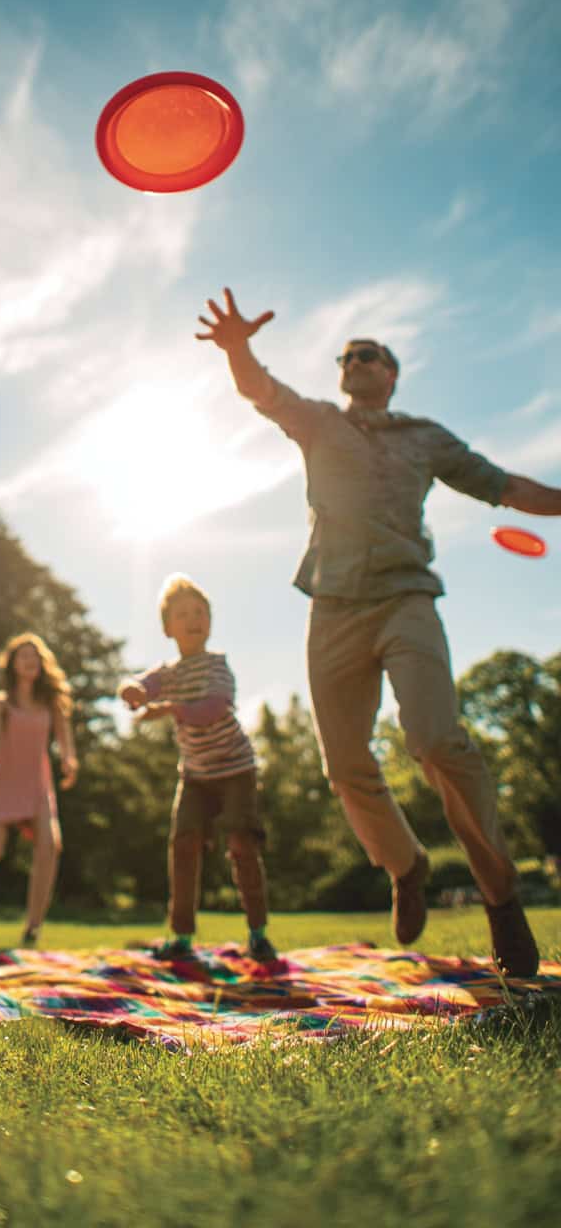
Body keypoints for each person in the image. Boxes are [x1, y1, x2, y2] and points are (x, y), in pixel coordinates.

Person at [196, 287, 561, 976]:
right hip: (332, 604)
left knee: (435, 740)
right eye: (347, 355)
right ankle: (406, 863)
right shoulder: (319, 422)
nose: (356, 361)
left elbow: (503, 485)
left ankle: (501, 896)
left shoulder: (427, 438)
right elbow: (260, 390)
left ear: (391, 372)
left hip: (405, 599)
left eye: (370, 355)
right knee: (345, 765)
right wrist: (237, 346)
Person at [118, 572, 278, 964]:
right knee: (184, 844)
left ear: (210, 620)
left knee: (242, 844)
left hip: (236, 771)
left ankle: (258, 934)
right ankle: (182, 938)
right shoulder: (170, 672)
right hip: (195, 777)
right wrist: (134, 690)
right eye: (183, 614)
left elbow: (213, 709)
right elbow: (142, 682)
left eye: (200, 612)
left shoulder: (217, 667)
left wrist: (170, 708)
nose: (194, 619)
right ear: (168, 628)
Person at [0, 633, 78, 947]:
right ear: (12, 664)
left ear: (42, 664)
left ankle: (33, 927)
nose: (30, 661)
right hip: (4, 780)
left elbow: (65, 739)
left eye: (35, 656)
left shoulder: (51, 701)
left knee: (50, 846)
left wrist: (68, 760)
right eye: (23, 656)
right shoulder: (1, 702)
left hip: (37, 783)